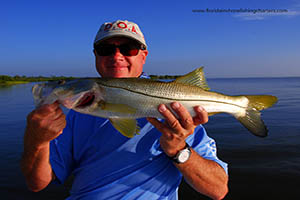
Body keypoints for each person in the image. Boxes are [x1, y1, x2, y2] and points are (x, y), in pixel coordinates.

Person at [21, 20, 228, 200]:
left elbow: (218, 190)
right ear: (96, 56)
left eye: (129, 48)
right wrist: (36, 141)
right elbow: (37, 183)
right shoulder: (75, 114)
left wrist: (179, 150)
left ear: (143, 56)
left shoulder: (180, 115)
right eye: (106, 49)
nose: (117, 56)